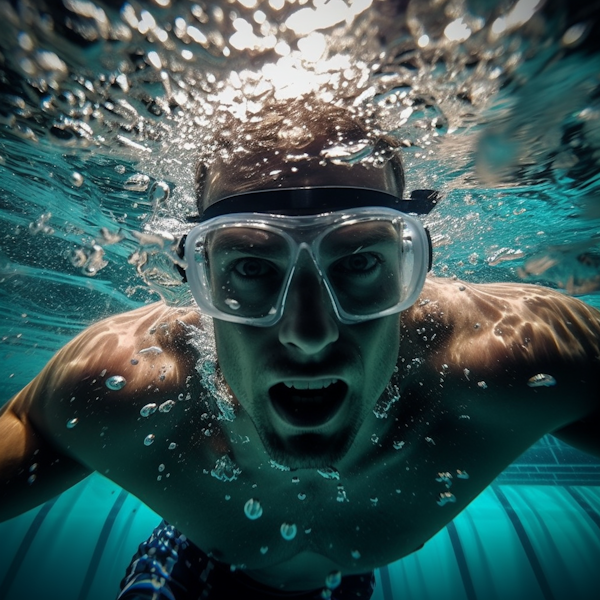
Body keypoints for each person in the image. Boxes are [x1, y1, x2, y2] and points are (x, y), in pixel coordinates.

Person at [1, 99, 599, 600]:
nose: (308, 332)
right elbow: (25, 426)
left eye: (361, 261)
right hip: (184, 567)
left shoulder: (516, 357)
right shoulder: (123, 385)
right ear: (198, 276)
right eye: (254, 265)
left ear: (411, 267)